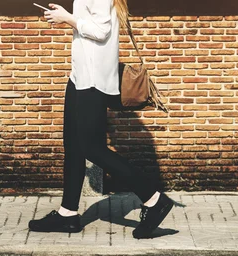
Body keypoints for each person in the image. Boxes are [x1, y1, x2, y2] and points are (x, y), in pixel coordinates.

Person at [28, 0, 174, 239]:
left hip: (93, 81)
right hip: (80, 77)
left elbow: (101, 30)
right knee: (73, 146)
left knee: (92, 149)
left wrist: (67, 18)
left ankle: (154, 199)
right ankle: (68, 214)